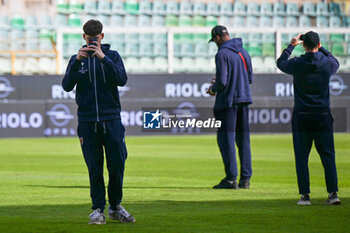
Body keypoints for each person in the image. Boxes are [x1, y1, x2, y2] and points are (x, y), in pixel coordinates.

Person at [62, 19, 135, 224]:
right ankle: (97, 209)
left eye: (95, 38)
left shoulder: (112, 56)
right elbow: (67, 86)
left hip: (111, 119)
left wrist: (103, 58)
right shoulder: (77, 59)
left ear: (102, 36)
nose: (92, 41)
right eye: (89, 38)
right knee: (94, 167)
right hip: (87, 121)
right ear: (83, 37)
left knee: (117, 164)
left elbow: (122, 79)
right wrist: (76, 61)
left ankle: (115, 206)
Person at [277, 31, 341, 206]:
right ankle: (333, 193)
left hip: (302, 115)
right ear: (318, 45)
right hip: (322, 114)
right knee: (328, 156)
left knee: (302, 156)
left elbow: (280, 63)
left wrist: (291, 46)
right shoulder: (327, 64)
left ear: (304, 45)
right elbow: (336, 61)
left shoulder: (298, 63)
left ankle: (305, 195)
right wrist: (323, 49)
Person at [207, 25, 253, 189]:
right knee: (243, 140)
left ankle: (231, 178)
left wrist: (212, 89)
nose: (215, 43)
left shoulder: (222, 54)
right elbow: (248, 77)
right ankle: (245, 179)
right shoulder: (243, 52)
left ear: (218, 37)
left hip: (228, 102)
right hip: (244, 98)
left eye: (215, 40)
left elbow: (223, 82)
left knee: (227, 140)